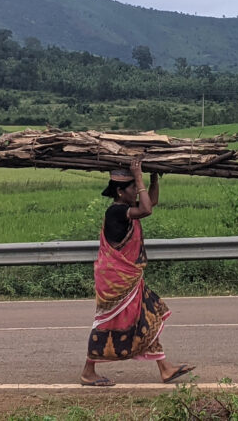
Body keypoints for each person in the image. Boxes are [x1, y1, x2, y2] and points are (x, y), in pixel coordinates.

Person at [80, 159, 195, 386]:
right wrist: (139, 174)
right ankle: (87, 371)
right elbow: (147, 209)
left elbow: (151, 201)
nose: (136, 191)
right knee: (106, 322)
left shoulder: (126, 209)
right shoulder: (116, 211)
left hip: (129, 276)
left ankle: (164, 368)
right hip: (116, 279)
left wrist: (153, 177)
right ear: (121, 191)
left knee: (148, 315)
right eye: (133, 187)